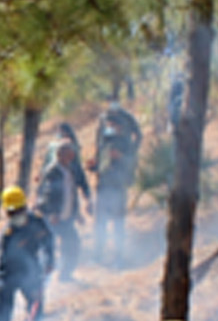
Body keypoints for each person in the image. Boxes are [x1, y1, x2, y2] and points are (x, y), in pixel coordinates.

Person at [0, 188, 56, 321]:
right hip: (8, 276)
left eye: (18, 210)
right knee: (2, 317)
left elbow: (48, 240)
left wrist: (49, 261)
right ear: (6, 212)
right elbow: (9, 263)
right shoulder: (8, 234)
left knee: (36, 314)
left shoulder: (37, 222)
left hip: (31, 271)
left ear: (24, 207)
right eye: (11, 212)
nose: (15, 215)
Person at [90, 103, 143, 264]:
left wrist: (121, 157)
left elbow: (131, 163)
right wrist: (94, 165)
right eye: (109, 125)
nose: (110, 128)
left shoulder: (127, 146)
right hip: (103, 186)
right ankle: (98, 255)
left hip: (118, 187)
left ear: (121, 127)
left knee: (118, 224)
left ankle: (118, 256)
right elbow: (100, 164)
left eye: (114, 125)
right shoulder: (105, 144)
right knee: (100, 223)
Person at [36, 138, 88, 282]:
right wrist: (52, 213)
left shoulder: (70, 169)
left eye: (72, 153)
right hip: (53, 218)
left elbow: (72, 192)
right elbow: (46, 194)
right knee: (48, 249)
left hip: (67, 217)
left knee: (73, 244)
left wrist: (77, 213)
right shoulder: (52, 171)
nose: (73, 156)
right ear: (61, 154)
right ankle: (40, 278)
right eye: (69, 153)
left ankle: (65, 275)